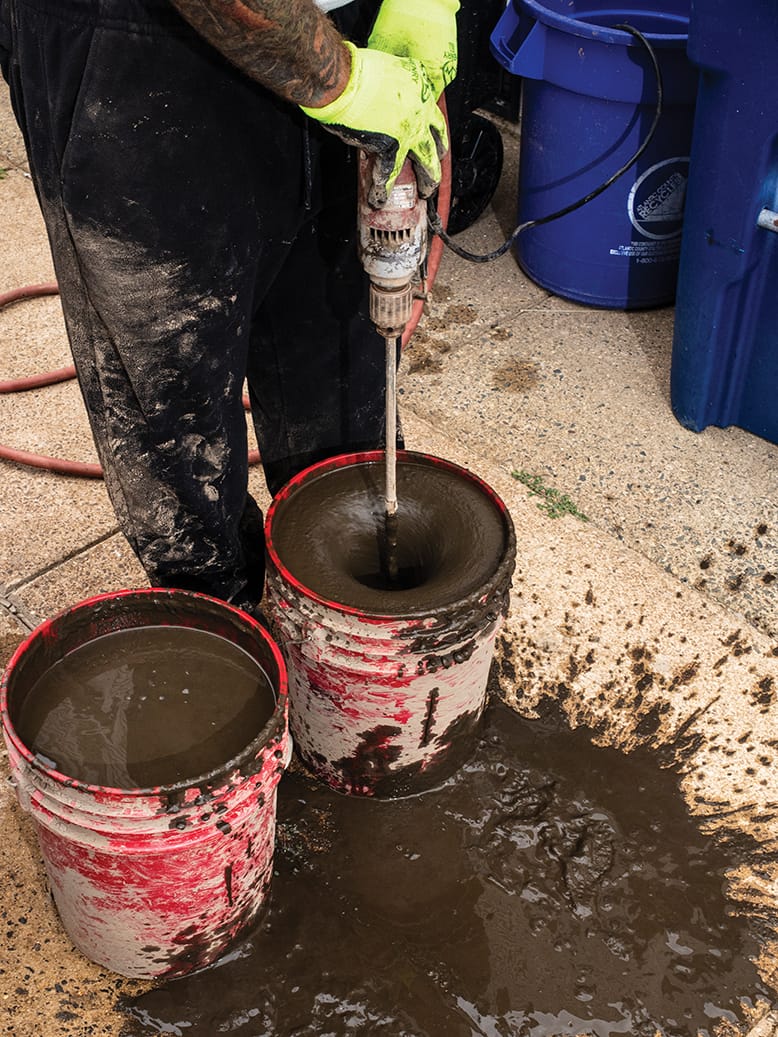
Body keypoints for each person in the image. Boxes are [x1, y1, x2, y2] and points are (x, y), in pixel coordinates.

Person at [0, 0, 459, 612]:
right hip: (138, 48)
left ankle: (345, 626)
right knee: (178, 428)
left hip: (347, 30)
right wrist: (343, 84)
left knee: (341, 384)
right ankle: (231, 636)